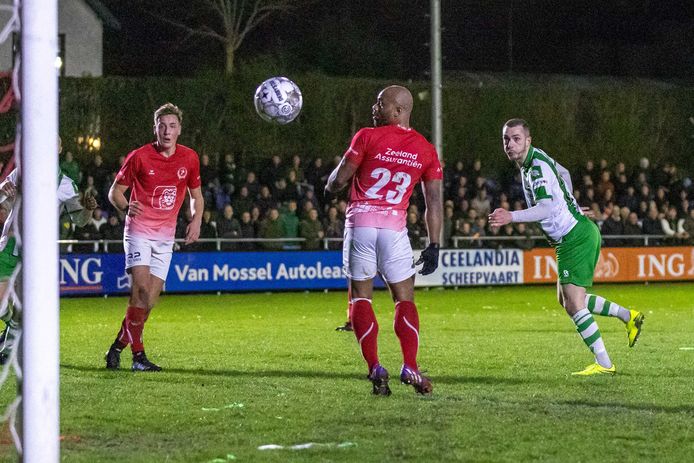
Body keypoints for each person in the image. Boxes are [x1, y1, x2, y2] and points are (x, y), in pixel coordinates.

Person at [489, 119, 644, 376]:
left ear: (528, 140)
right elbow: (564, 174)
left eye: (516, 138)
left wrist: (511, 216)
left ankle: (605, 363)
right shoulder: (536, 159)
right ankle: (630, 316)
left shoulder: (535, 168)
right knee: (566, 299)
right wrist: (570, 203)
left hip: (575, 238)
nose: (510, 144)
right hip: (574, 234)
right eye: (506, 139)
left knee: (574, 303)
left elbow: (547, 207)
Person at [325, 85, 442, 395]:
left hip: (361, 224)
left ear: (399, 111)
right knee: (405, 299)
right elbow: (434, 201)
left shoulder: (367, 136)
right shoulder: (426, 149)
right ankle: (410, 366)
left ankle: (375, 366)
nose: (374, 108)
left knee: (361, 298)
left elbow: (339, 180)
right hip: (394, 229)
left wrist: (330, 185)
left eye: (381, 104)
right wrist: (434, 244)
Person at [104, 103, 203, 372]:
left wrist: (195, 219)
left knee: (148, 302)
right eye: (162, 126)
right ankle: (138, 357)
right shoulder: (139, 156)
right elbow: (115, 192)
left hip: (165, 237)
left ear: (179, 129)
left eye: (172, 126)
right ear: (155, 128)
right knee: (141, 291)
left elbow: (196, 196)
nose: (167, 131)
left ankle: (116, 348)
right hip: (139, 232)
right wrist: (125, 206)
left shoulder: (190, 158)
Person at [0, 138, 98, 364]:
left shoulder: (66, 185)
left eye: (54, 143)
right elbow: (3, 200)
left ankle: (14, 342)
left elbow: (80, 221)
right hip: (10, 244)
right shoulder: (21, 173)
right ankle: (14, 326)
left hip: (36, 252)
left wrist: (89, 211)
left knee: (31, 303)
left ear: (60, 149)